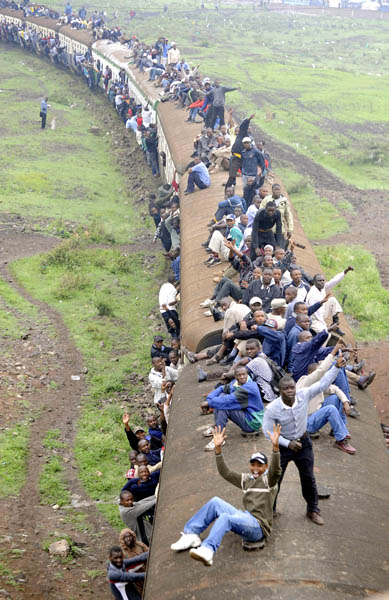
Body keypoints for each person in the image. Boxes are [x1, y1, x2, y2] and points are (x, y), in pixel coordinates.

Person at [170, 424, 282, 566]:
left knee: (225, 518)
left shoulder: (269, 482)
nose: (255, 468)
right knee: (215, 502)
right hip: (246, 517)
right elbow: (226, 473)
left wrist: (276, 448)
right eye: (253, 464)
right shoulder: (247, 480)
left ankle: (208, 550)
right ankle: (191, 534)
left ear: (265, 467)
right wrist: (218, 449)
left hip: (258, 527)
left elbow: (276, 472)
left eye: (259, 465)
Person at [263, 353, 344, 525]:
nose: (290, 391)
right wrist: (287, 443)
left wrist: (336, 367)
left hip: (303, 443)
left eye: (292, 387)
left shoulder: (303, 395)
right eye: (286, 389)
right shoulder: (272, 409)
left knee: (308, 477)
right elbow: (267, 431)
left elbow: (322, 383)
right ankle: (270, 509)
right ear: (280, 390)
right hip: (283, 447)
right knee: (275, 479)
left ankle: (313, 510)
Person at [201, 366, 264, 451]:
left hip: (252, 422)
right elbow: (222, 388)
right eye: (239, 375)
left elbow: (227, 400)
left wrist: (208, 403)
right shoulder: (236, 382)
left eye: (244, 374)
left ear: (247, 374)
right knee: (221, 397)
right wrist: (209, 399)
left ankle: (219, 437)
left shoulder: (250, 387)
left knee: (222, 405)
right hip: (246, 413)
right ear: (235, 377)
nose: (242, 377)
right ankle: (216, 427)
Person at [306, 267, 354, 336]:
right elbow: (316, 314)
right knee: (326, 335)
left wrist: (345, 271)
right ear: (314, 282)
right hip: (315, 319)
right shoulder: (312, 295)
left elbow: (334, 281)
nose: (322, 282)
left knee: (332, 300)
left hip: (322, 312)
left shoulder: (322, 288)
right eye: (319, 281)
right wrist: (325, 325)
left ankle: (335, 324)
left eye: (323, 280)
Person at [119, 528, 148, 596]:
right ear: (122, 540)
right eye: (125, 537)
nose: (128, 538)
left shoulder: (139, 544)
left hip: (148, 571)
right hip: (137, 580)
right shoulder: (122, 553)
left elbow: (149, 553)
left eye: (129, 536)